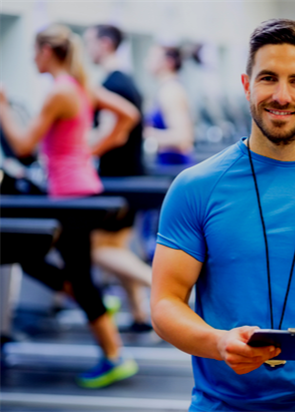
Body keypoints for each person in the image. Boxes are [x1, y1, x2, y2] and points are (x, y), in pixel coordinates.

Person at [151, 19, 295, 412]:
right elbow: (165, 302)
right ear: (246, 85)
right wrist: (217, 342)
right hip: (223, 403)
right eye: (268, 78)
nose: (282, 95)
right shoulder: (195, 187)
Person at [0, 23, 139, 387]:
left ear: (47, 52)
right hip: (76, 189)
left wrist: (1, 106)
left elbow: (24, 146)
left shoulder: (60, 92)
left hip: (70, 195)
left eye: (34, 51)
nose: (31, 58)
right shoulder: (80, 86)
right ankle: (89, 300)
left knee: (75, 274)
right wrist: (92, 148)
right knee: (34, 259)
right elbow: (128, 114)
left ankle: (114, 354)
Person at [84, 24, 153, 333]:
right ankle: (139, 314)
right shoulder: (125, 80)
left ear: (105, 44)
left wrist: (84, 151)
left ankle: (165, 288)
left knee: (98, 250)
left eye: (89, 43)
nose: (87, 50)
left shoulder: (112, 84)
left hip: (117, 179)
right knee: (117, 247)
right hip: (127, 175)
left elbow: (112, 133)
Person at [143, 43, 194, 166]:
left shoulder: (171, 91)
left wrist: (148, 135)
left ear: (168, 62)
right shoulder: (166, 89)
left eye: (152, 57)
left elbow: (183, 138)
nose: (147, 62)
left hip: (174, 167)